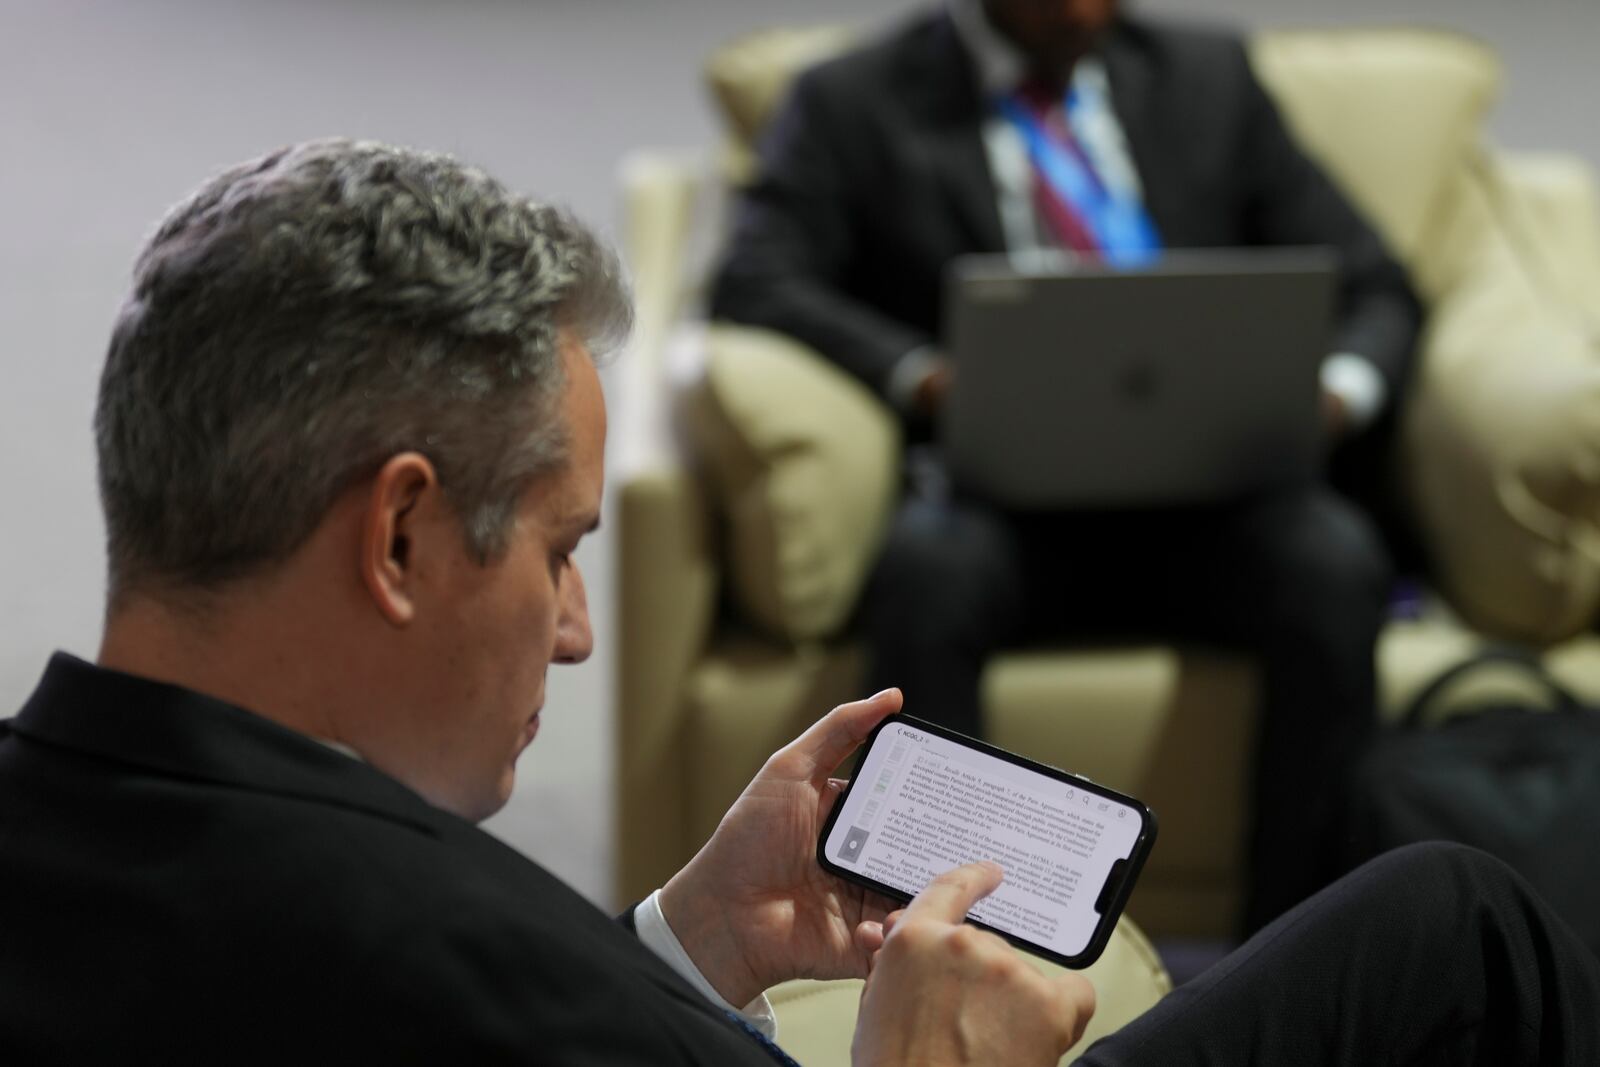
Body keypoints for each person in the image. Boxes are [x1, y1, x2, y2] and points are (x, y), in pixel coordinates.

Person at [2, 138, 1595, 1066]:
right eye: (560, 548)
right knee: (1450, 925)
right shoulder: (454, 952)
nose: (577, 627)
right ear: (403, 537)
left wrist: (685, 940)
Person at [710, 0, 1425, 931]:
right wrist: (925, 376)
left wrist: (1332, 393)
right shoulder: (855, 101)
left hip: (1214, 499)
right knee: (926, 579)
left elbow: (1377, 282)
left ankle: (1297, 944)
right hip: (1003, 503)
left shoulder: (1210, 81)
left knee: (1333, 565)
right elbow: (757, 276)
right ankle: (934, 941)